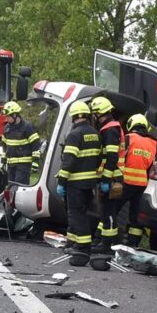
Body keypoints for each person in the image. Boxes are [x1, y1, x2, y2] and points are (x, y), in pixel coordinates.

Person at [55, 101, 102, 268]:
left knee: (76, 214)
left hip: (75, 182)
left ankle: (82, 247)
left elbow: (68, 162)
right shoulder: (95, 133)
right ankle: (73, 243)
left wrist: (61, 181)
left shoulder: (74, 135)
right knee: (82, 212)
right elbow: (98, 158)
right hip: (90, 183)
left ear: (74, 116)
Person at [90, 95, 126, 270]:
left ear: (99, 113)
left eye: (95, 114)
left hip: (111, 176)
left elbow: (111, 156)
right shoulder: (110, 126)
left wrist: (105, 178)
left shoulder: (110, 129)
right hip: (111, 175)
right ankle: (104, 242)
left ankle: (108, 245)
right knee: (105, 210)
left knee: (109, 210)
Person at [121, 114, 157, 247]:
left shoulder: (128, 138)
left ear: (131, 124)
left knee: (111, 209)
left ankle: (103, 240)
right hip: (141, 185)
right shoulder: (152, 144)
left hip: (126, 182)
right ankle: (133, 244)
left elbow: (120, 158)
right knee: (135, 216)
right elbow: (151, 166)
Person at [0, 101, 40, 185]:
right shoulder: (7, 128)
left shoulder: (27, 127)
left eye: (8, 116)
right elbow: (4, 145)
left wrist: (35, 162)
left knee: (19, 188)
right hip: (11, 165)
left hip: (23, 165)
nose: (6, 118)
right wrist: (3, 161)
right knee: (10, 188)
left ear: (15, 115)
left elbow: (36, 144)